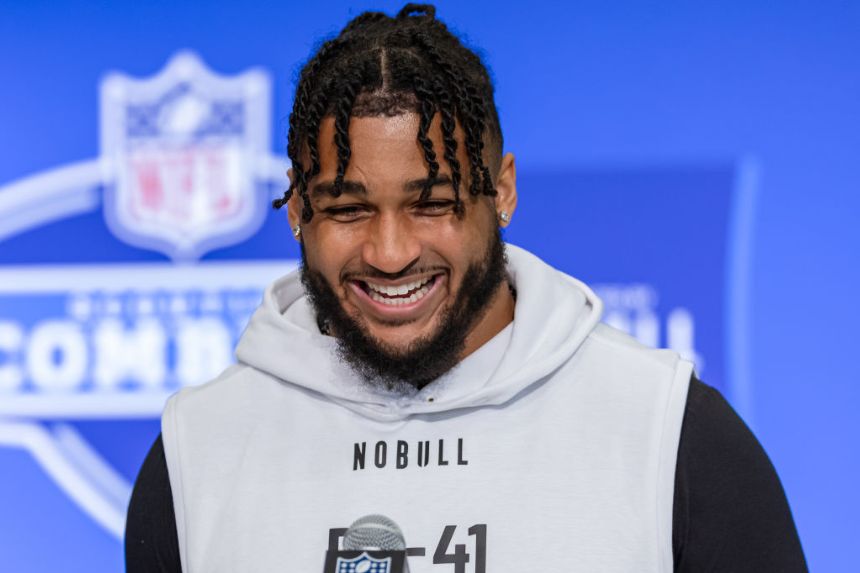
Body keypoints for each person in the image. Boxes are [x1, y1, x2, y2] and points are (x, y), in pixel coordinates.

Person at [125, 4, 807, 571]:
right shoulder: (198, 452)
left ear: (502, 190)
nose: (390, 252)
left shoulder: (668, 433)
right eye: (348, 208)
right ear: (298, 207)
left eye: (433, 202)